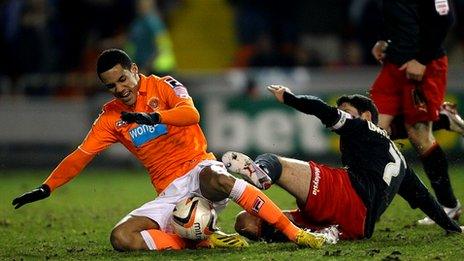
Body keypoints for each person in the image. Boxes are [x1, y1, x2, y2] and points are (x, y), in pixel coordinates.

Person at [11, 49, 326, 251]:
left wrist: (153, 116)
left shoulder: (165, 85)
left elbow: (192, 115)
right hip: (169, 193)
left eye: (123, 79)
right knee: (121, 238)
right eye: (111, 86)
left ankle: (295, 233)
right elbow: (81, 156)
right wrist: (47, 186)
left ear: (134, 70)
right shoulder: (111, 119)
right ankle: (201, 240)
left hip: (200, 170)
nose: (120, 89)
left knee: (216, 176)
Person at [223, 85, 463, 242]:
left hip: (347, 196)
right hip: (358, 228)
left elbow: (323, 111)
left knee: (275, 161)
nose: (343, 114)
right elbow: (424, 198)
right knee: (245, 222)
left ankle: (262, 172)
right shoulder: (399, 161)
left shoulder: (365, 128)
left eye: (347, 111)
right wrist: (452, 227)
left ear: (367, 116)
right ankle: (323, 233)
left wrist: (289, 98)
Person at [370, 0, 461, 225]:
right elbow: (398, 15)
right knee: (373, 131)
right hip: (394, 65)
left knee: (419, 133)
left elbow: (446, 19)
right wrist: (385, 40)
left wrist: (421, 59)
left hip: (425, 65)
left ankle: (449, 205)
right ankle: (442, 119)